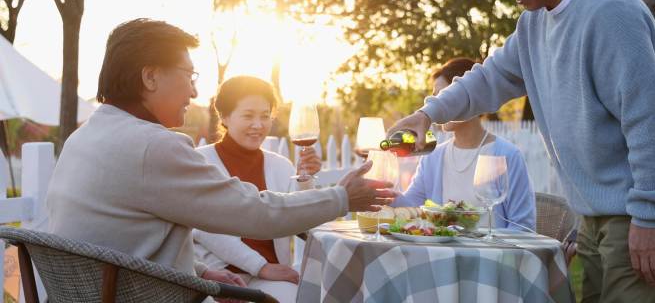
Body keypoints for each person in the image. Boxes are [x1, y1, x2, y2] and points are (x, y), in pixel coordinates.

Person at [387, 0, 655, 301]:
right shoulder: (533, 25)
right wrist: (427, 114)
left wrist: (649, 214)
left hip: (638, 215)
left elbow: (653, 121)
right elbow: (488, 78)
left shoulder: (609, 11)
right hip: (594, 219)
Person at [45, 18, 396, 300]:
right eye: (189, 76)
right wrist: (342, 197)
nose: (195, 92)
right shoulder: (152, 145)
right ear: (150, 76)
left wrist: (198, 270)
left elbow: (117, 239)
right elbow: (256, 213)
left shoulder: (85, 137)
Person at [193, 76, 319, 303]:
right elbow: (205, 229)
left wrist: (305, 179)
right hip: (219, 277)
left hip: (272, 277)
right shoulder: (200, 161)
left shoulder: (281, 166)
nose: (258, 125)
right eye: (248, 116)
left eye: (265, 116)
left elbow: (302, 219)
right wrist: (260, 266)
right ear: (225, 116)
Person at [392, 58, 536, 231]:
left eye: (443, 95)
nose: (437, 105)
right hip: (443, 256)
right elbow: (410, 206)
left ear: (468, 97)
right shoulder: (434, 157)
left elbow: (523, 226)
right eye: (434, 97)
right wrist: (382, 188)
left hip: (493, 256)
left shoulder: (508, 156)